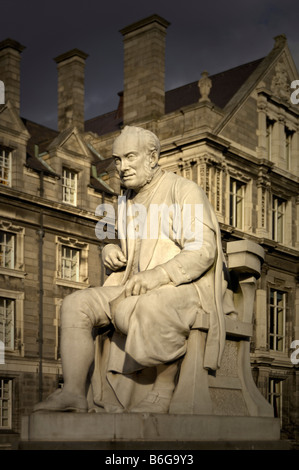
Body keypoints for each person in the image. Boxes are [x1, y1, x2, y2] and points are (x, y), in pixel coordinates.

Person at [34, 125, 234, 414]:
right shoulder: (126, 200)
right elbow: (134, 251)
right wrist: (111, 249)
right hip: (132, 285)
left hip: (183, 285)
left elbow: (203, 249)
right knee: (75, 303)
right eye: (117, 160)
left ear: (152, 157)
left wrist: (160, 274)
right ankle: (74, 392)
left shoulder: (184, 190)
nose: (121, 167)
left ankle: (164, 388)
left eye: (129, 157)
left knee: (154, 304)